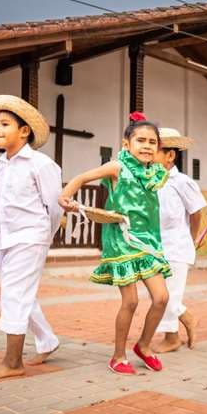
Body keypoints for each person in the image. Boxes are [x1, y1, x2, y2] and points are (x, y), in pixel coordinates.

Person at [59, 112, 170, 375]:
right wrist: (66, 196)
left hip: (148, 241)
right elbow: (82, 177)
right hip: (121, 240)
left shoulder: (155, 172)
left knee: (162, 297)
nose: (146, 146)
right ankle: (118, 356)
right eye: (140, 140)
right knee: (130, 302)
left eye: (152, 142)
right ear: (126, 145)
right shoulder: (117, 167)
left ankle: (143, 345)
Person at [0, 95, 62, 380]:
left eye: (5, 124)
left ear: (24, 131)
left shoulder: (41, 164)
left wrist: (44, 236)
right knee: (20, 293)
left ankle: (13, 362)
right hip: (7, 238)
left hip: (31, 237)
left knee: (14, 294)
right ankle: (48, 340)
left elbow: (54, 206)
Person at [153, 128, 207, 353]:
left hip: (177, 245)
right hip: (156, 246)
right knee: (161, 294)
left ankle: (175, 334)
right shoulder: (151, 181)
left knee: (169, 295)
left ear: (170, 155)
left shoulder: (182, 182)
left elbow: (196, 213)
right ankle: (181, 325)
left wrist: (191, 239)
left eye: (154, 150)